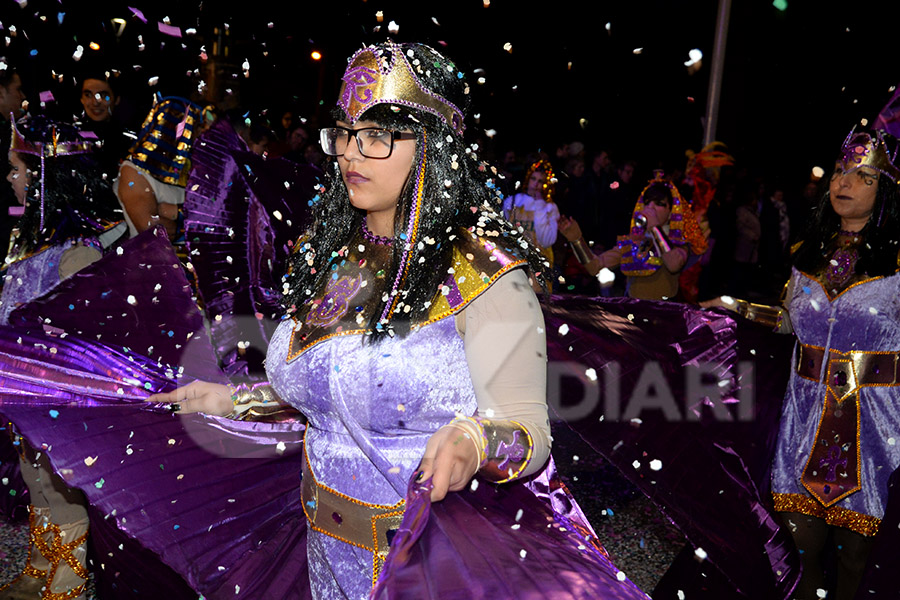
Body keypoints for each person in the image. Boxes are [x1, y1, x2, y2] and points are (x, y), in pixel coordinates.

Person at [149, 41, 645, 600]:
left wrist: (475, 440)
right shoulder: (332, 253)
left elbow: (529, 435)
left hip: (428, 569)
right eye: (344, 132)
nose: (350, 153)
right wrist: (227, 401)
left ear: (431, 148)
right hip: (325, 558)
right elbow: (325, 389)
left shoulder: (485, 272)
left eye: (378, 135)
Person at [703, 128, 900, 600]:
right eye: (839, 172)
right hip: (804, 419)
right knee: (801, 551)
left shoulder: (897, 260)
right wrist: (739, 307)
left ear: (885, 191)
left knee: (857, 560)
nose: (844, 182)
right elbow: (790, 322)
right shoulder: (805, 254)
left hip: (877, 426)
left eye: (862, 176)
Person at [0, 116, 126, 600]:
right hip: (23, 393)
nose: (11, 178)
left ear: (47, 182)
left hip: (58, 397)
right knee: (37, 482)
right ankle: (40, 567)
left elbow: (81, 342)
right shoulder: (33, 247)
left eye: (18, 169)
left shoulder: (78, 256)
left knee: (62, 487)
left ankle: (66, 582)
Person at [607, 172, 707, 300]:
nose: (651, 208)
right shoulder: (635, 240)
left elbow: (673, 265)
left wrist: (655, 228)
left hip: (662, 312)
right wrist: (576, 240)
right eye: (648, 203)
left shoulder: (679, 243)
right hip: (632, 310)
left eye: (659, 203)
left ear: (671, 211)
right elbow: (594, 265)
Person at [502, 158, 560, 264]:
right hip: (515, 258)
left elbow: (547, 241)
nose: (536, 184)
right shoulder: (512, 201)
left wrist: (540, 207)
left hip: (540, 260)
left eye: (541, 181)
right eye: (533, 179)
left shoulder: (550, 207)